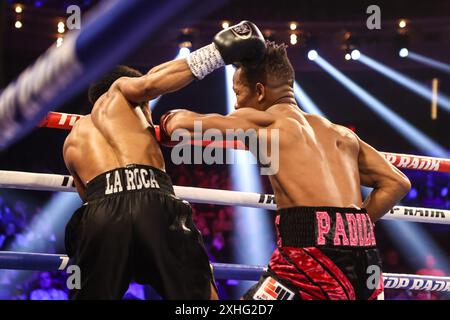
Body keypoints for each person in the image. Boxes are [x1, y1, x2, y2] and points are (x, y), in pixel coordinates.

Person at [160, 41, 412, 300]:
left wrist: (169, 118)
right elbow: (397, 182)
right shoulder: (341, 133)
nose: (235, 105)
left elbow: (181, 124)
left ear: (259, 91)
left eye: (237, 94)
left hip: (311, 260)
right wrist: (349, 227)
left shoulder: (267, 120)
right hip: (366, 258)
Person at [63, 21, 266, 299]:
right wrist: (219, 52)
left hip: (99, 214)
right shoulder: (120, 92)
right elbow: (151, 83)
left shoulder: (71, 141)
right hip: (152, 202)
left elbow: (87, 196)